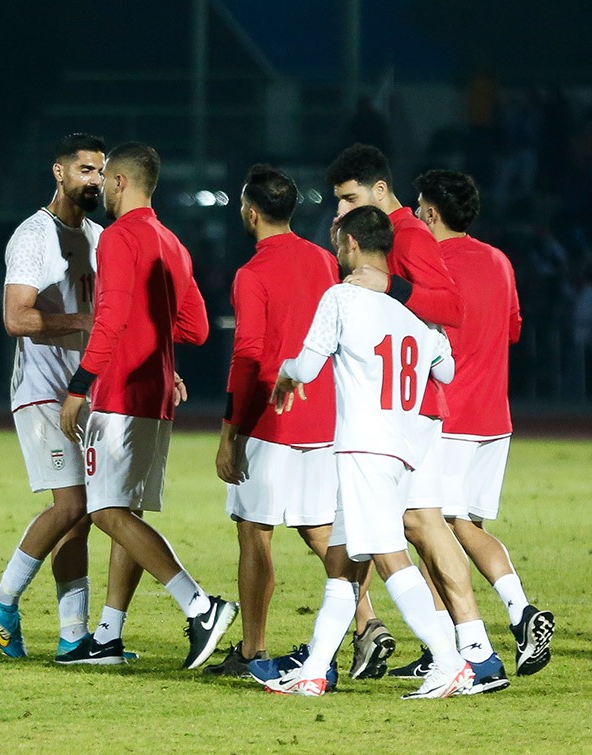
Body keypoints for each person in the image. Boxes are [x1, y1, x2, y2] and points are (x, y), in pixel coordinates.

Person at [257, 205, 471, 699]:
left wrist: (286, 372)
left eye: (338, 240)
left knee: (389, 556)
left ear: (350, 243)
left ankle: (449, 660)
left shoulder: (342, 297)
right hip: (400, 449)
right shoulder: (411, 309)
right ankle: (314, 669)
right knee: (342, 563)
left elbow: (307, 368)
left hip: (364, 447)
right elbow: (446, 370)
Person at [57, 141, 237, 667]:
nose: (101, 188)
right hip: (157, 395)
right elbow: (196, 328)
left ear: (119, 181)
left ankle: (199, 606)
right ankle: (108, 635)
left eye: (105, 179)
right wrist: (153, 345)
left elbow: (110, 320)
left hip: (119, 393)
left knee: (105, 511)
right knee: (126, 512)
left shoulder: (117, 237)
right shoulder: (171, 242)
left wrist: (78, 387)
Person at [327, 143, 495, 683]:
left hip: (407, 409)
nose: (341, 210)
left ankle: (466, 650)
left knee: (408, 526)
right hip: (399, 407)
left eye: (349, 198)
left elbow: (451, 307)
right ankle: (469, 650)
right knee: (392, 528)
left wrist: (391, 285)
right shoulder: (382, 234)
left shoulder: (410, 234)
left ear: (380, 190)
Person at [415, 169, 554, 677]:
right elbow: (513, 329)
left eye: (419, 208)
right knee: (464, 526)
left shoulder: (430, 265)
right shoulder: (498, 260)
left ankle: (508, 621)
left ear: (432, 213)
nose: (415, 216)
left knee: (432, 526)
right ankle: (507, 616)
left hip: (449, 417)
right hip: (495, 417)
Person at [206, 165, 340, 677]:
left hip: (271, 420)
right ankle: (367, 623)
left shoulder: (252, 273)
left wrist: (230, 434)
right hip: (324, 416)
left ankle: (252, 651)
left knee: (255, 532)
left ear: (251, 212)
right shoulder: (325, 261)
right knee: (322, 530)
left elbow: (247, 357)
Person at [0, 133, 103, 663]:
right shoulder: (34, 236)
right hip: (41, 391)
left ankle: (74, 636)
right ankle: (3, 597)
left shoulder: (99, 237)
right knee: (71, 504)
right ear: (59, 171)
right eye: (84, 169)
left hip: (84, 389)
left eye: (100, 171)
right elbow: (16, 318)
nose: (94, 180)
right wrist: (82, 322)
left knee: (84, 515)